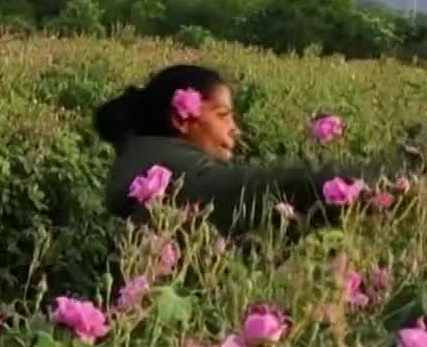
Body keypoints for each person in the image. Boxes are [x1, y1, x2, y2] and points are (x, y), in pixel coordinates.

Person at [96, 64, 400, 235]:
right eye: (223, 115)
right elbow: (260, 188)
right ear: (181, 118)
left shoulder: (149, 160)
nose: (234, 129)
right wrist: (384, 182)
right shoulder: (178, 176)